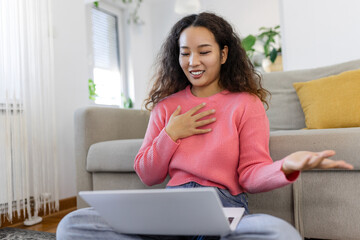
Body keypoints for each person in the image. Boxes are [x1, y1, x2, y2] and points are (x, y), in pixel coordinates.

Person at [57, 12, 353, 240]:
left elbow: (250, 175)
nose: (193, 61)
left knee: (277, 232)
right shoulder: (166, 108)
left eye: (204, 51)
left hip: (224, 211)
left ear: (223, 54)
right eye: (185, 52)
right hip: (172, 212)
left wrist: (286, 166)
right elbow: (148, 174)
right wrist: (170, 134)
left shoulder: (245, 104)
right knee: (73, 223)